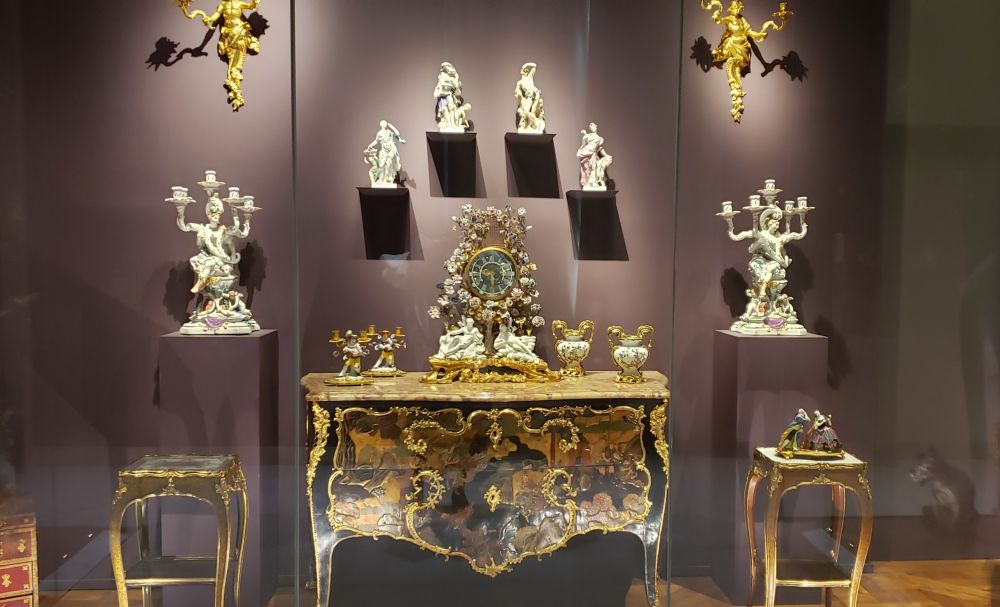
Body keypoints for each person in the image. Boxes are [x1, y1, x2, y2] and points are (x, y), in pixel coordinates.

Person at [577, 122, 613, 190]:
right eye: (590, 127)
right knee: (587, 168)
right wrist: (584, 136)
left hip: (593, 154)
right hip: (586, 152)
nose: (591, 128)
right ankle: (588, 182)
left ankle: (593, 183)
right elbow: (584, 144)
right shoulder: (588, 136)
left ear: (596, 127)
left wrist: (606, 155)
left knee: (594, 167)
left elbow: (600, 149)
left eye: (592, 126)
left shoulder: (600, 138)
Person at [514, 62, 545, 133]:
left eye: (526, 70)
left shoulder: (529, 78)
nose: (524, 72)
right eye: (523, 70)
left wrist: (525, 65)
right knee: (526, 111)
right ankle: (535, 123)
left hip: (535, 94)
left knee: (533, 110)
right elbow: (517, 92)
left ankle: (533, 125)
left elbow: (534, 66)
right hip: (529, 96)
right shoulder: (520, 82)